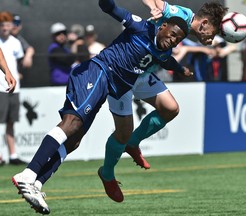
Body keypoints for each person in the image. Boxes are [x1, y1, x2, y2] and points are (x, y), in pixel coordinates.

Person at [12, 0, 191, 213]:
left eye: (178, 40)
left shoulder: (164, 52)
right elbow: (110, 8)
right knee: (72, 123)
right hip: (98, 72)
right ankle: (28, 174)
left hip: (108, 87)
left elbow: (167, 61)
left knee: (74, 140)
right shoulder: (141, 27)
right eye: (172, 34)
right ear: (162, 26)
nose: (173, 41)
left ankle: (37, 183)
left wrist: (181, 69)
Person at [106, 0, 227, 173]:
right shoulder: (183, 16)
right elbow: (158, 4)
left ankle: (132, 143)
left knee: (171, 109)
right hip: (122, 71)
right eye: (212, 33)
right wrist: (153, 7)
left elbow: (164, 56)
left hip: (142, 72)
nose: (211, 38)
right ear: (204, 23)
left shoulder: (186, 29)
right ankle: (108, 173)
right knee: (122, 132)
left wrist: (179, 68)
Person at [0, 11, 26, 165]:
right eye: (2, 25)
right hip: (0, 87)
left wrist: (14, 74)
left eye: (7, 24)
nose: (4, 28)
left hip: (13, 87)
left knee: (11, 122)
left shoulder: (16, 42)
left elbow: (20, 62)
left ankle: (13, 154)